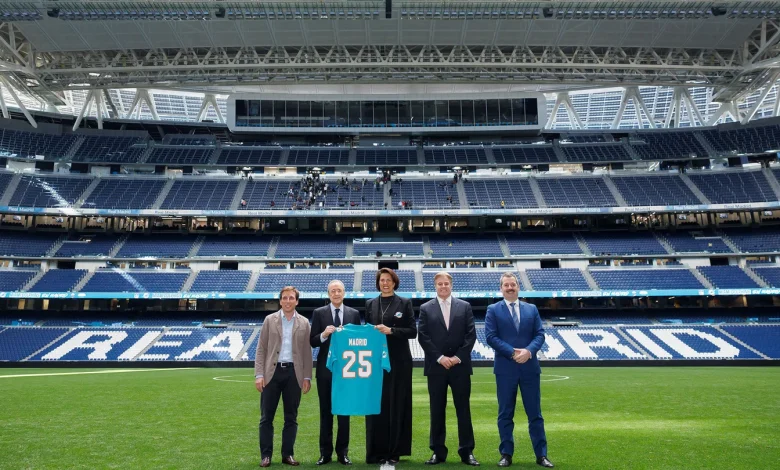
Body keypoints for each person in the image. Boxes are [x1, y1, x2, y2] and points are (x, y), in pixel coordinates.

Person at [484, 273, 553, 468]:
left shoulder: (531, 309)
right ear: (501, 288)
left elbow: (540, 334)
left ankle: (541, 455)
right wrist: (512, 353)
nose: (509, 287)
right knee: (505, 414)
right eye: (506, 285)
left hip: (530, 368)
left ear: (518, 286)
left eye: (512, 284)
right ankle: (506, 454)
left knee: (535, 414)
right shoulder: (493, 310)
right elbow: (490, 336)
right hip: (505, 369)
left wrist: (529, 351)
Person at [417, 272, 479, 466]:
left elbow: (471, 335)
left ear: (451, 285)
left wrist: (457, 357)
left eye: (446, 283)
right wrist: (440, 358)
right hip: (436, 368)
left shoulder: (465, 306)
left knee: (463, 410)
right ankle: (437, 451)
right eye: (439, 284)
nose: (443, 286)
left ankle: (467, 451)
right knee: (437, 410)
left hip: (460, 367)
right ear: (435, 286)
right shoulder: (426, 308)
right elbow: (423, 336)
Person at [255, 286, 313, 467]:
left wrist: (307, 377)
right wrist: (259, 374)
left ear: (297, 301)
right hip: (272, 373)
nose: (288, 301)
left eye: (291, 298)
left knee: (291, 418)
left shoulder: (304, 323)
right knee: (266, 418)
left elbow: (306, 352)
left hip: (293, 374)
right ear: (280, 301)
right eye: (284, 298)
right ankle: (266, 455)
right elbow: (261, 349)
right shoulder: (269, 320)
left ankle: (288, 454)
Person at [364, 268, 417, 464]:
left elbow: (413, 331)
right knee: (378, 405)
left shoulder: (405, 303)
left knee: (398, 405)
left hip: (399, 361)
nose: (385, 283)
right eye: (382, 280)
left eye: (388, 280)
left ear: (394, 283)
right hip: (376, 362)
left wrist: (391, 330)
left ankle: (395, 451)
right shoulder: (370, 304)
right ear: (378, 283)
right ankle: (376, 451)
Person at [310, 280, 361, 466]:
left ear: (344, 293)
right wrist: (324, 334)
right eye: (333, 290)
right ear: (328, 293)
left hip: (347, 371)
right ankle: (325, 453)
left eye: (339, 290)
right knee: (326, 413)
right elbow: (312, 341)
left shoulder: (354, 314)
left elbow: (358, 341)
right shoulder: (319, 313)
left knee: (344, 413)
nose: (336, 293)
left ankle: (343, 453)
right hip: (326, 371)